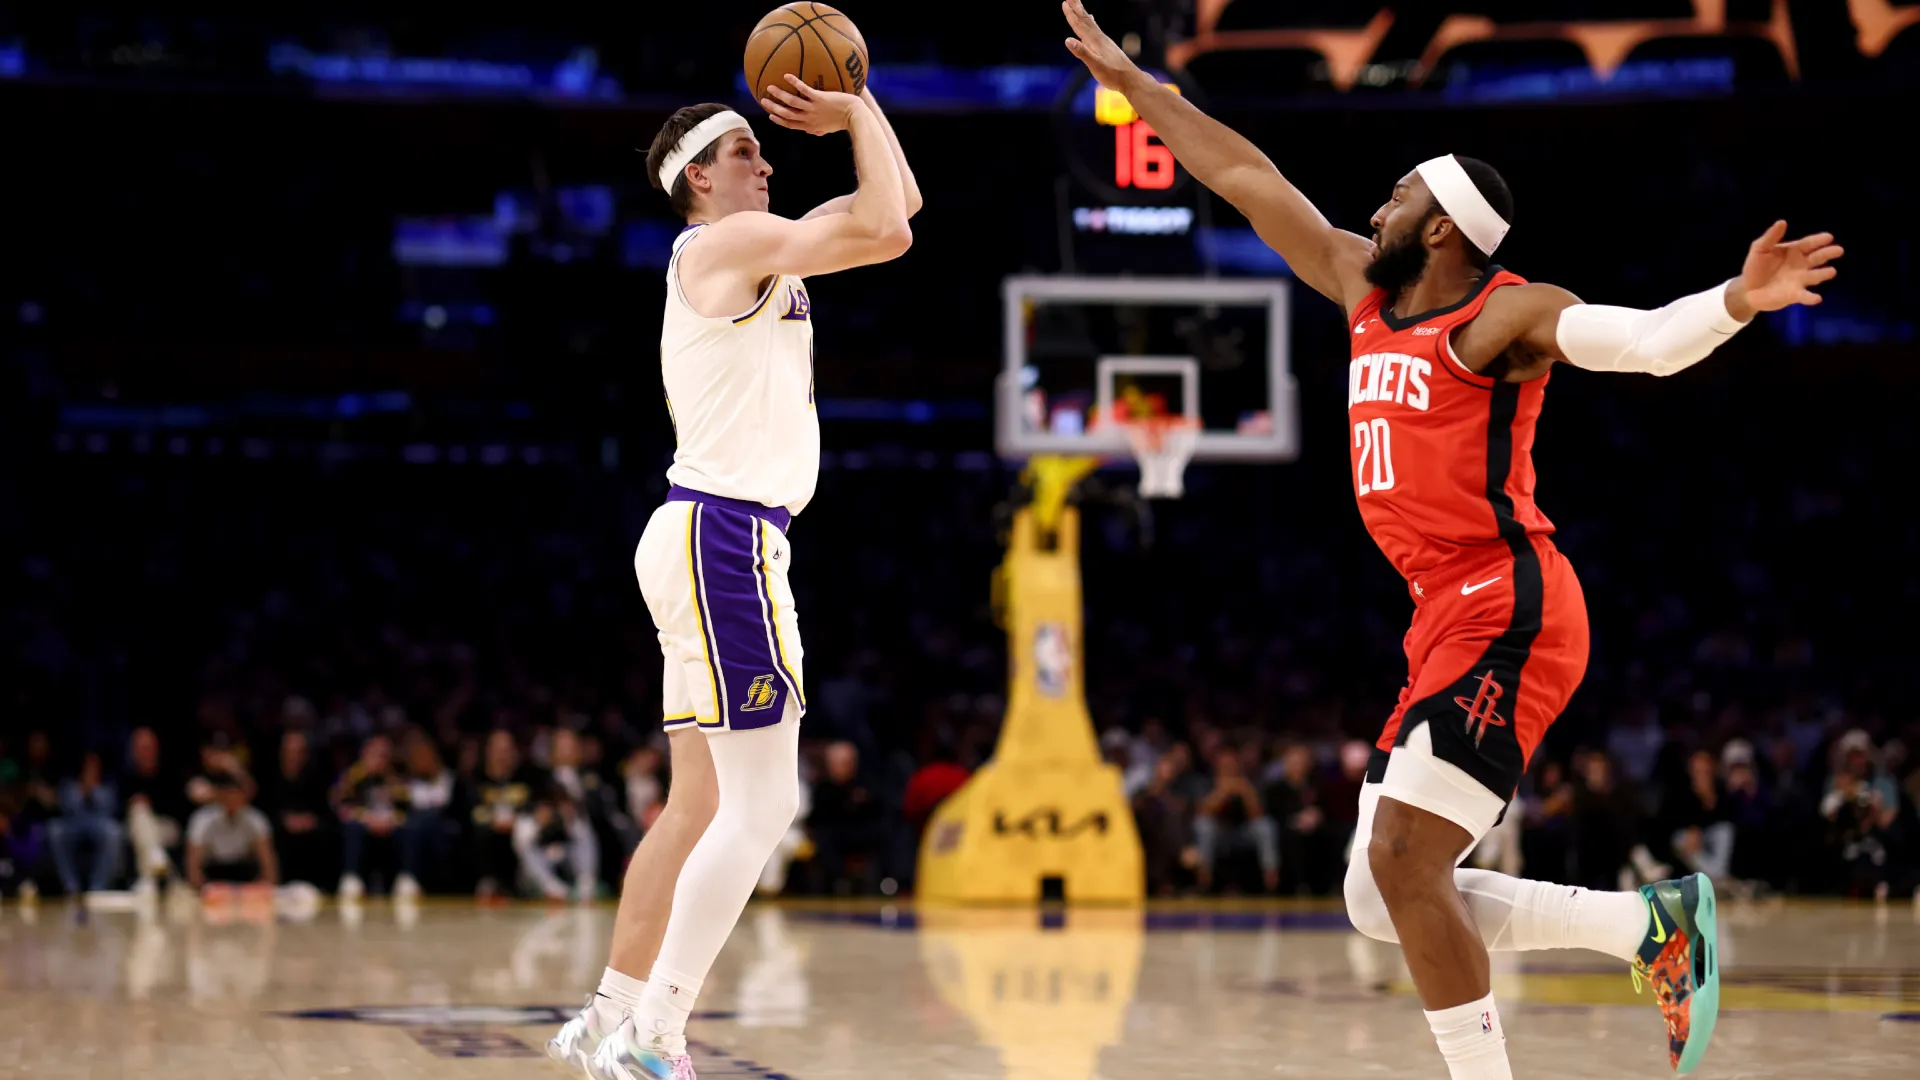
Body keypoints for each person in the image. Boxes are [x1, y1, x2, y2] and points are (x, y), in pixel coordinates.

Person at [1061, 2, 1841, 1075]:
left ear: (1440, 230)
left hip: (1509, 603)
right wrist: (1139, 91)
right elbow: (1245, 178)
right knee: (1377, 895)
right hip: (1444, 613)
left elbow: (1644, 345)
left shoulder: (1499, 321)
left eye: (1397, 196)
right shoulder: (1359, 291)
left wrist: (1735, 302)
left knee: (1399, 858)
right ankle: (1644, 926)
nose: (1373, 207)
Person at [549, 73, 919, 1080]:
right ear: (697, 180)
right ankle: (657, 1037)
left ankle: (608, 1014)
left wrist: (865, 112)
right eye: (746, 152)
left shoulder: (738, 248)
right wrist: (855, 109)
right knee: (762, 809)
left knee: (699, 807)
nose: (768, 160)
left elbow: (900, 216)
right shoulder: (725, 244)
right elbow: (887, 222)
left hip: (692, 533)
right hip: (726, 541)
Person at [49, 751, 122, 896]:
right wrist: (82, 791)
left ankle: (98, 888)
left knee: (113, 832)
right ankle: (71, 886)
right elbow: (65, 806)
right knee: (54, 830)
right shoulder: (69, 785)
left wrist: (93, 790)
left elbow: (110, 808)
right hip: (73, 824)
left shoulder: (107, 786)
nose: (91, 770)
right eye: (88, 767)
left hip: (98, 824)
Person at [185, 775, 277, 889]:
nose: (232, 801)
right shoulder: (201, 820)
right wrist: (201, 890)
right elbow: (193, 865)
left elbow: (268, 862)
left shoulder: (256, 819)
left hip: (245, 873)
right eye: (227, 796)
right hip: (213, 873)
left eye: (236, 796)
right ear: (219, 796)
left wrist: (266, 889)